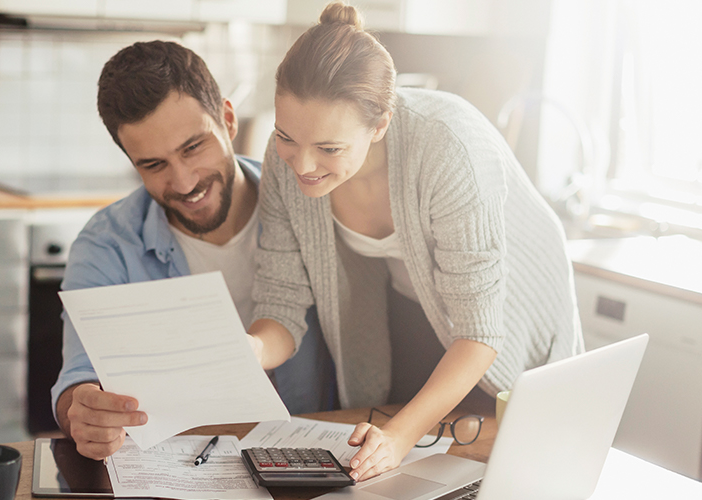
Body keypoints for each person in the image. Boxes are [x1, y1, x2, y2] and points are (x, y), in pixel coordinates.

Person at [246, 1, 584, 482]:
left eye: (329, 148)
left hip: (508, 310)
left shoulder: (449, 147)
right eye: (286, 137)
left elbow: (479, 332)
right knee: (408, 459)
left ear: (380, 124)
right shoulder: (285, 163)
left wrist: (400, 437)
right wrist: (251, 350)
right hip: (412, 298)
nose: (301, 165)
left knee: (501, 453)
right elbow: (280, 303)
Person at [51, 40, 336, 461]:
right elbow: (78, 379)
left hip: (314, 457)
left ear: (228, 118)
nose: (184, 182)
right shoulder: (106, 244)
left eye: (193, 148)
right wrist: (84, 411)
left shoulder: (307, 203)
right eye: (153, 165)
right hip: (180, 465)